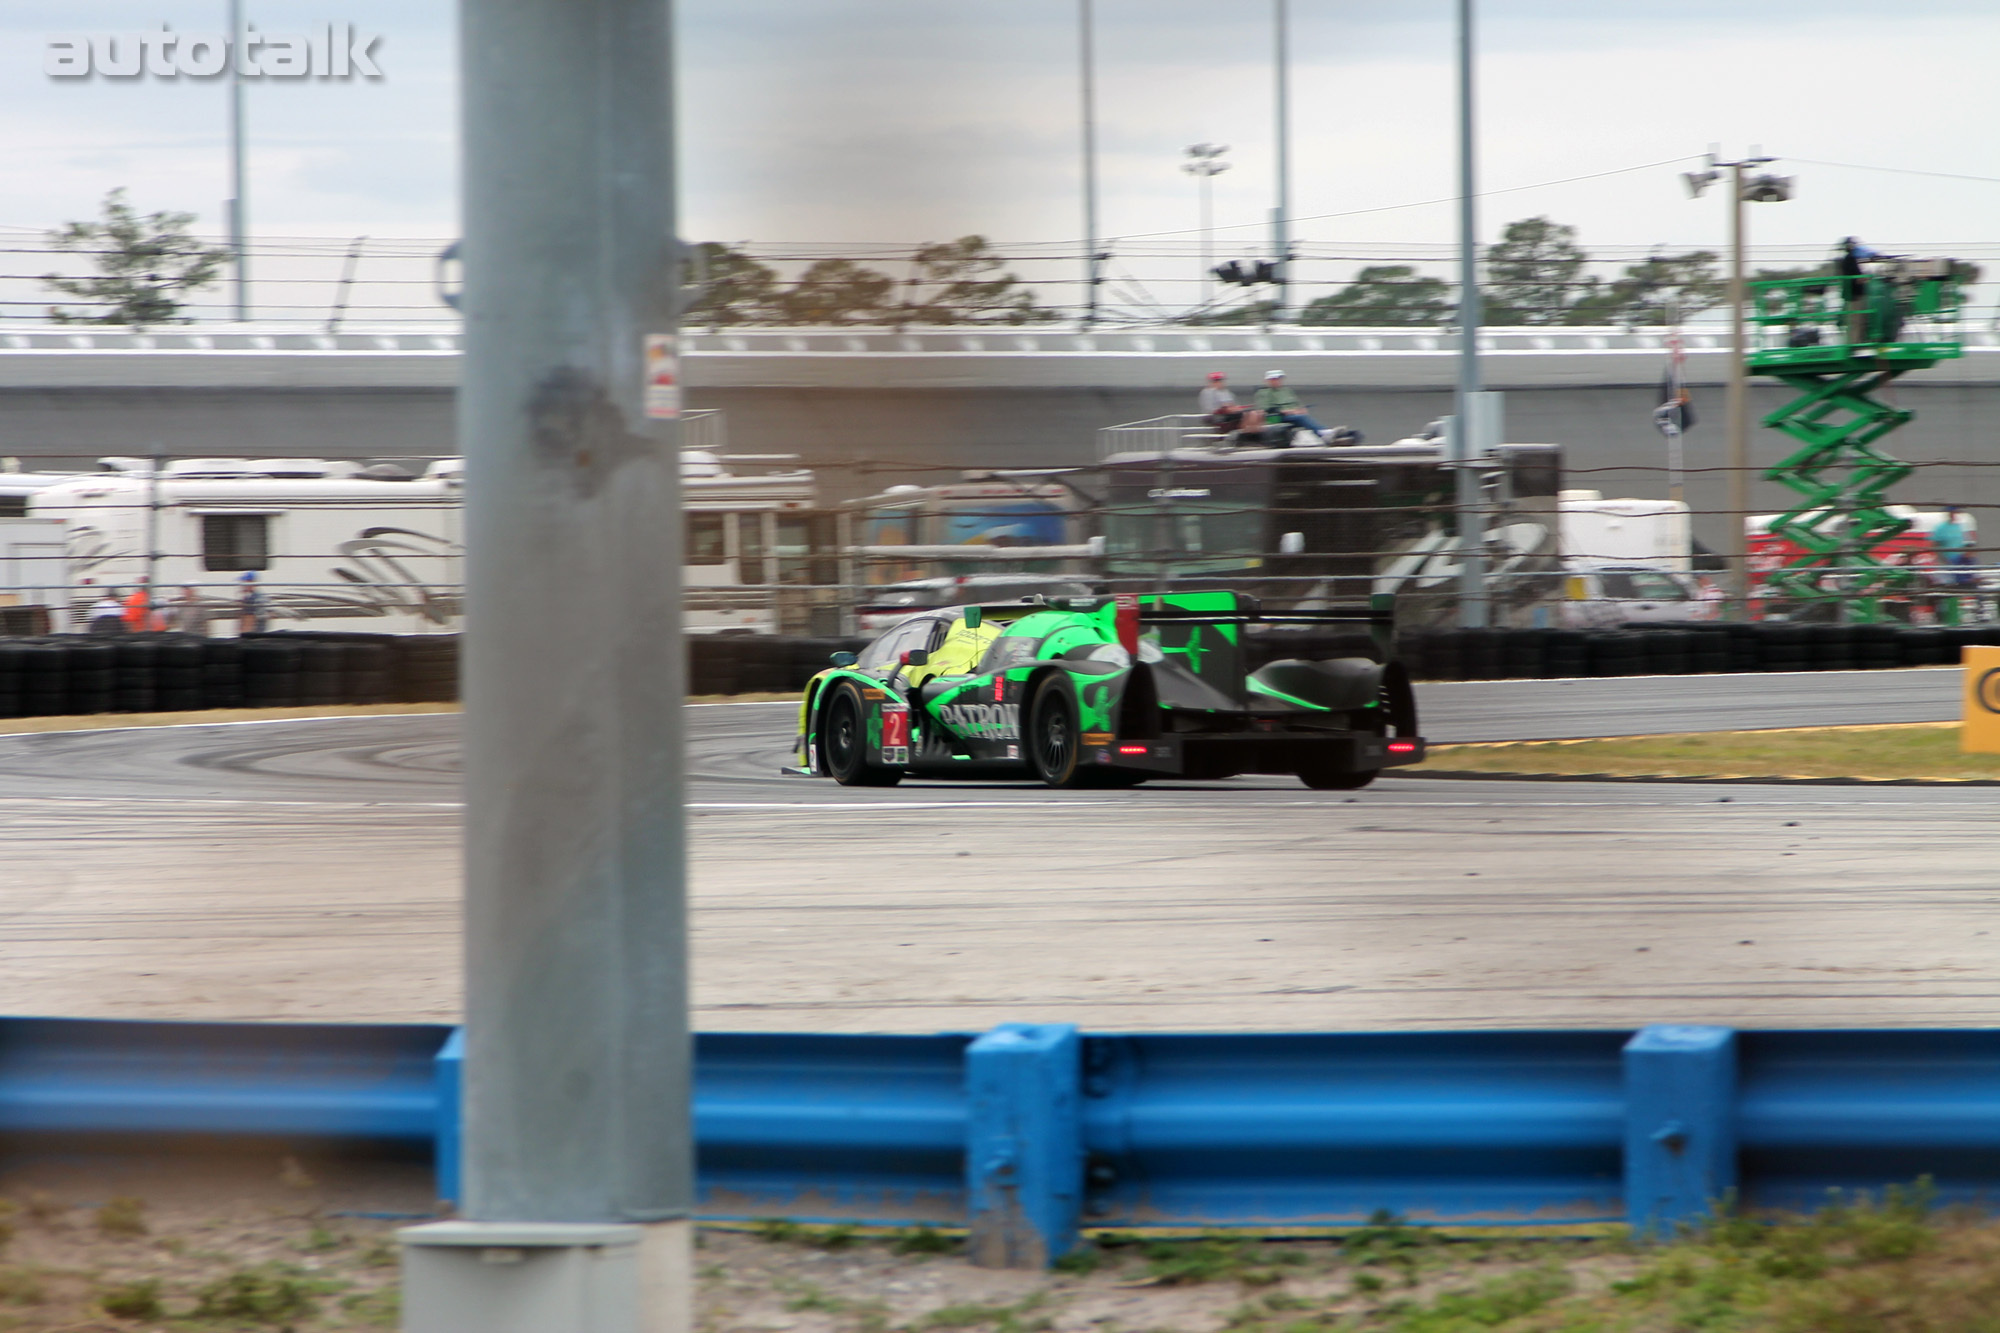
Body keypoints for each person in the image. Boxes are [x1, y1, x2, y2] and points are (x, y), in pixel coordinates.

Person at [1251, 370, 1328, 442]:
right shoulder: (1263, 393)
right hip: (1276, 417)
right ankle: (1321, 432)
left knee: (1303, 416)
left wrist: (1301, 409)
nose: (1277, 381)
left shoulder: (1287, 390)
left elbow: (1297, 403)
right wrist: (1286, 411)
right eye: (1274, 379)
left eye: (1279, 379)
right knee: (1302, 418)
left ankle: (1322, 434)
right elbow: (1267, 408)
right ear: (1267, 381)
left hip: (1294, 415)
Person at [1198, 371, 1257, 436]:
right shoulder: (1207, 392)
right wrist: (1226, 408)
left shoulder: (1226, 392)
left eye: (1220, 380)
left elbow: (1233, 404)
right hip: (1217, 416)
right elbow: (1210, 409)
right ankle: (1243, 435)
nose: (1219, 383)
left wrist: (1234, 408)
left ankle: (1249, 434)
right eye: (1216, 381)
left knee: (1252, 413)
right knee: (1244, 415)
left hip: (1229, 414)